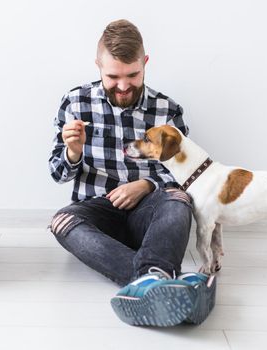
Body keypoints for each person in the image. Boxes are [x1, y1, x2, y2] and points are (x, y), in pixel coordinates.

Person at [48, 19, 213, 327]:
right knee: (61, 221)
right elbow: (58, 174)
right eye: (113, 76)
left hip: (149, 216)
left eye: (132, 75)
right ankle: (157, 280)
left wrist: (147, 185)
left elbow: (188, 175)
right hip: (99, 214)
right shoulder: (75, 103)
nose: (123, 86)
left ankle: (149, 283)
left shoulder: (167, 109)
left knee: (178, 198)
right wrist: (73, 152)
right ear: (97, 65)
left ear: (145, 63)